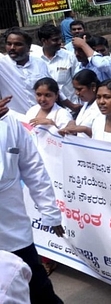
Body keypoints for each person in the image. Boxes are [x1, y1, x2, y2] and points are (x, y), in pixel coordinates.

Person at [0, 101, 65, 303]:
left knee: (39, 290)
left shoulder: (11, 123)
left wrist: (50, 213)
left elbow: (34, 169)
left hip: (14, 230)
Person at [0, 27, 52, 114]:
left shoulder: (39, 63)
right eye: (9, 44)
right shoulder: (2, 65)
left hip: (42, 118)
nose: (12, 48)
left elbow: (51, 88)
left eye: (17, 44)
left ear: (28, 47)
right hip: (15, 120)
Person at [59, 70, 101, 138]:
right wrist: (72, 123)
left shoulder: (101, 108)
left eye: (79, 89)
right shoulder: (86, 104)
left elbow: (101, 134)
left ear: (93, 87)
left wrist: (84, 129)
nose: (76, 93)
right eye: (75, 89)